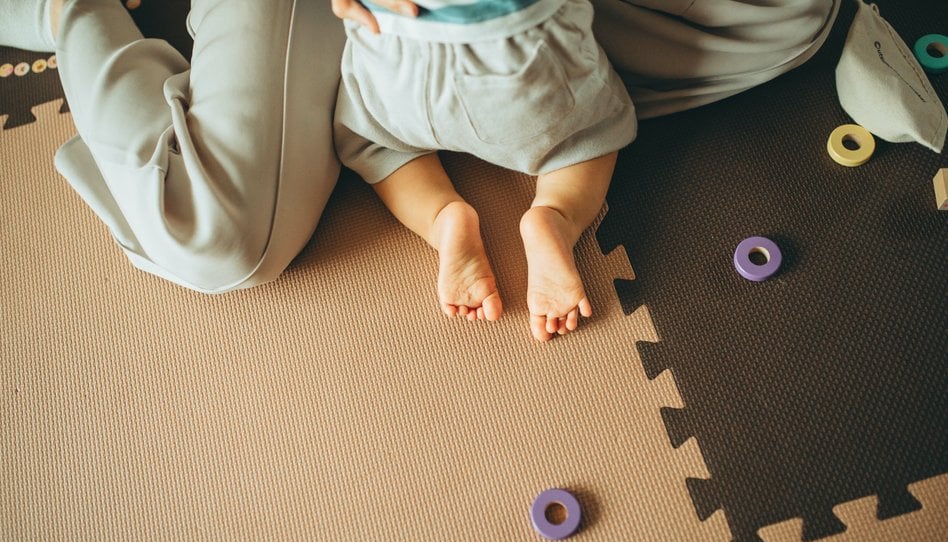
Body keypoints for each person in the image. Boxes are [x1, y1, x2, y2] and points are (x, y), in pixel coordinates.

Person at [0, 0, 841, 295]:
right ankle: (67, 9)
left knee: (794, 18)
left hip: (429, 59)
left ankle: (478, 177)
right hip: (383, 31)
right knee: (212, 233)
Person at [332, 0, 637, 342]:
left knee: (375, 143)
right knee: (591, 134)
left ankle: (441, 217)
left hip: (396, 66)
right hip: (513, 63)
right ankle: (557, 214)